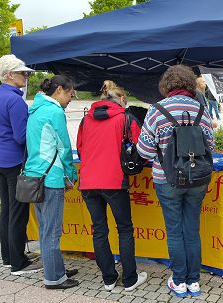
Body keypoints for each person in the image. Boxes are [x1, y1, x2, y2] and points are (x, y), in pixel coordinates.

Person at [137, 65, 214, 298]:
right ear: (190, 84)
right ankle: (194, 282)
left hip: (167, 180)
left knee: (174, 231)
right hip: (198, 179)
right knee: (192, 228)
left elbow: (144, 150)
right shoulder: (201, 110)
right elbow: (210, 145)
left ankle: (179, 281)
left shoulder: (156, 110)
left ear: (166, 85)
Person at [76, 84, 147, 292]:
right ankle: (130, 279)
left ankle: (108, 279)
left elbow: (81, 149)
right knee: (124, 229)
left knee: (99, 230)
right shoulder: (126, 118)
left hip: (88, 182)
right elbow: (141, 149)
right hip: (114, 182)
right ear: (122, 99)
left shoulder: (85, 120)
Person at [0, 54, 41, 275]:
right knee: (18, 211)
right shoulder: (15, 99)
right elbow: (21, 137)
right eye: (22, 72)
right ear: (9, 75)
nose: (26, 76)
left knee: (7, 209)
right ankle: (18, 263)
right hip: (15, 160)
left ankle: (8, 257)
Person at [24, 76, 79, 289]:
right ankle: (54, 278)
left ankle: (55, 269)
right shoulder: (55, 112)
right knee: (52, 231)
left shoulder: (35, 110)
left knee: (45, 228)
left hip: (34, 176)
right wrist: (70, 174)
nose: (71, 98)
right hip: (51, 178)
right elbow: (64, 148)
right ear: (58, 90)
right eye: (69, 93)